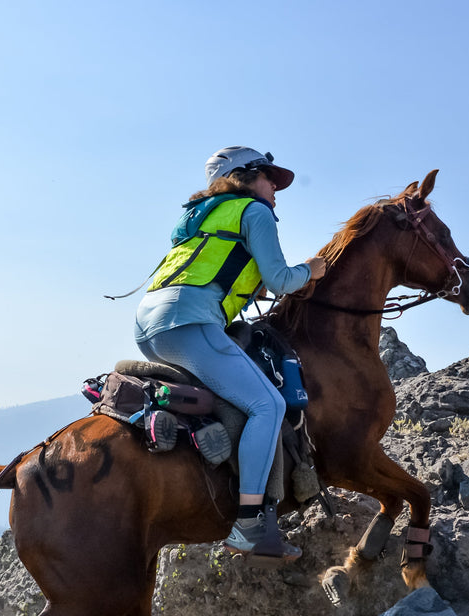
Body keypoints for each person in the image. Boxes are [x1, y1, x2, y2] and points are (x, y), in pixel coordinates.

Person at [134, 146, 327, 563]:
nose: (274, 188)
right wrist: (311, 270)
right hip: (188, 322)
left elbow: (218, 269)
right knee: (268, 405)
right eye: (269, 177)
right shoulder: (254, 211)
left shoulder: (202, 215)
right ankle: (250, 526)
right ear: (245, 176)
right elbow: (281, 279)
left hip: (148, 325)